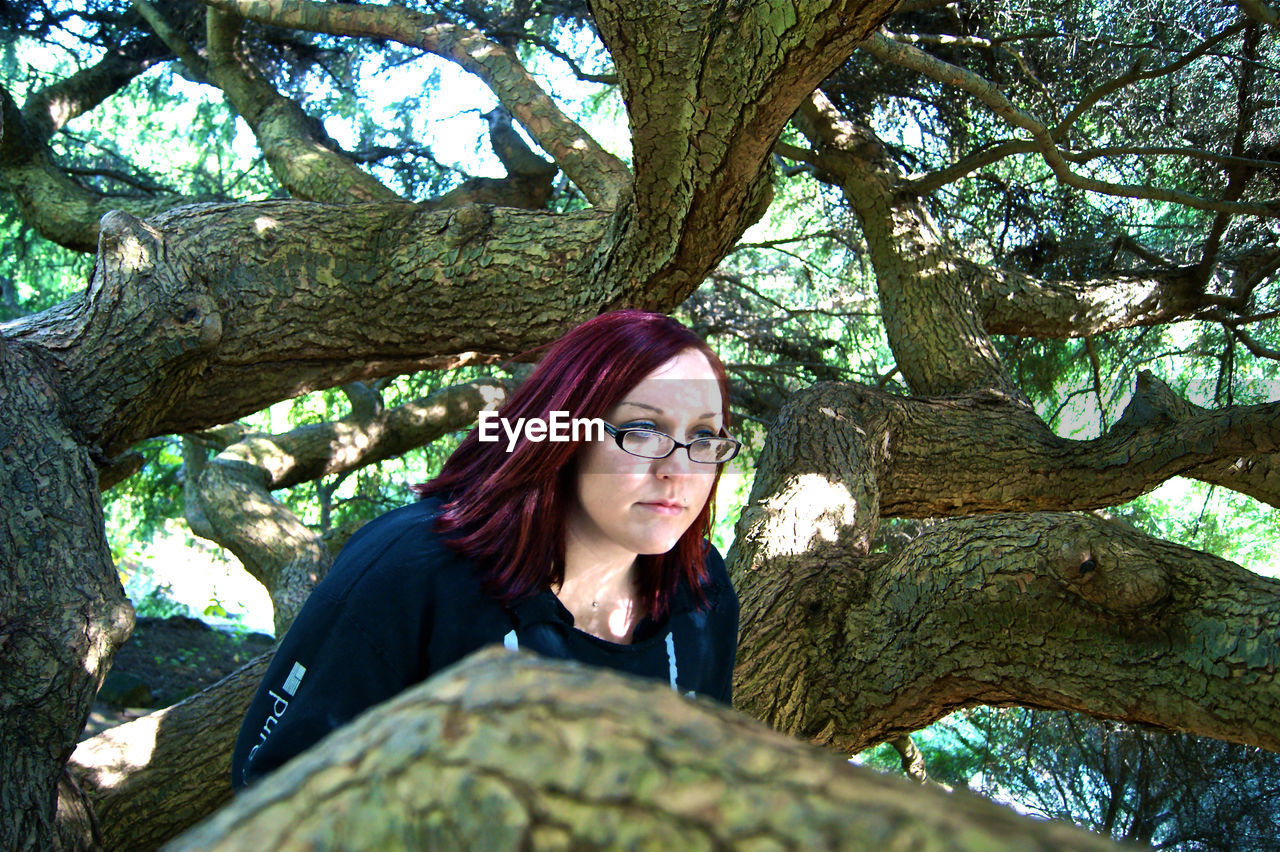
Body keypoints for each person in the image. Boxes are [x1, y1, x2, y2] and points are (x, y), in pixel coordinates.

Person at [231, 310, 741, 789]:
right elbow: (278, 791)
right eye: (643, 430)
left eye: (703, 436)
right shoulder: (410, 571)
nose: (679, 468)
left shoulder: (700, 590)